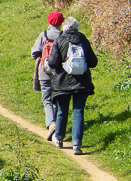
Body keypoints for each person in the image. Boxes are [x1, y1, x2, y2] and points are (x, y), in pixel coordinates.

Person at [46, 16, 98, 155]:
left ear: (65, 27)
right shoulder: (83, 40)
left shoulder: (60, 40)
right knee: (78, 112)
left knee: (62, 110)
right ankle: (77, 144)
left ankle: (59, 138)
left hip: (62, 83)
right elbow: (93, 62)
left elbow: (52, 63)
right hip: (82, 83)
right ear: (76, 27)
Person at [31, 11, 64, 142]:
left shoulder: (44, 35)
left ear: (49, 21)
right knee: (56, 98)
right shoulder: (63, 36)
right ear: (62, 23)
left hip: (44, 71)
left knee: (46, 99)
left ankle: (52, 124)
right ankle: (55, 123)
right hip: (59, 73)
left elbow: (34, 53)